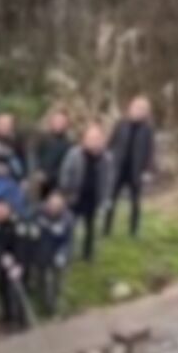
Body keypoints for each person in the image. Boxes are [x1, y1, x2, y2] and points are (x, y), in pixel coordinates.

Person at [58, 124, 114, 262]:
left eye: (97, 138)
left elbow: (108, 180)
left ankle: (88, 254)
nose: (93, 142)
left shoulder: (106, 158)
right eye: (90, 138)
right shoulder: (74, 154)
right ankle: (65, 251)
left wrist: (105, 198)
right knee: (70, 225)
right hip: (75, 196)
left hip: (93, 197)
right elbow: (65, 172)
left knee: (91, 227)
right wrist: (65, 191)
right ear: (84, 139)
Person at [105, 96, 157, 238]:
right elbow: (110, 143)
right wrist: (107, 158)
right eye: (136, 108)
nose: (138, 111)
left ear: (146, 113)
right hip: (118, 167)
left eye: (142, 109)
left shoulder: (148, 129)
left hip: (136, 170)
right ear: (130, 108)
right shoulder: (121, 124)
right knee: (111, 198)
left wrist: (148, 171)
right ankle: (106, 229)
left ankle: (134, 231)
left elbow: (150, 151)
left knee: (135, 202)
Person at [0, 200, 33, 330]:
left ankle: (23, 320)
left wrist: (18, 264)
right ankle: (8, 317)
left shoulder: (17, 224)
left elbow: (22, 245)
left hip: (19, 260)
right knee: (3, 289)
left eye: (0, 212)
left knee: (20, 290)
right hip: (3, 261)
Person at [32, 191, 76, 316]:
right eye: (50, 205)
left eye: (55, 206)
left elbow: (69, 241)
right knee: (41, 278)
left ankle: (54, 304)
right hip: (42, 250)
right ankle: (43, 300)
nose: (52, 208)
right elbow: (30, 219)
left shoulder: (67, 219)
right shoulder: (39, 212)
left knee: (57, 279)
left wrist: (63, 254)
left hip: (58, 252)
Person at [33, 110, 73, 200]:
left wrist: (48, 176)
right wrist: (37, 171)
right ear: (51, 122)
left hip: (55, 185)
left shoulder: (69, 146)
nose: (59, 124)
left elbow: (65, 168)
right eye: (57, 121)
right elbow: (33, 156)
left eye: (62, 122)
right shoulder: (40, 139)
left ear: (67, 125)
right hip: (34, 178)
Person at [0, 152, 28, 218]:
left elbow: (18, 200)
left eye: (3, 166)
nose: (1, 169)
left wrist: (8, 207)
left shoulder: (12, 183)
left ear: (8, 168)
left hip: (9, 211)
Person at [0, 113, 27, 181]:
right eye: (3, 124)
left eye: (9, 125)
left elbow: (23, 164)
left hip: (14, 181)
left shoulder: (17, 142)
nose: (6, 127)